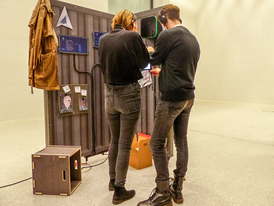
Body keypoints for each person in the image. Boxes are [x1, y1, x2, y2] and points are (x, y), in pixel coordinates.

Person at [138, 4, 200, 206]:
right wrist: (162, 73)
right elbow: (179, 68)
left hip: (171, 99)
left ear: (164, 20)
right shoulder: (192, 39)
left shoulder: (166, 36)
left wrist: (148, 50)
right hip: (188, 97)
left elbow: (152, 59)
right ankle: (177, 189)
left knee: (156, 143)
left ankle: (162, 191)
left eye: (160, 22)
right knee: (181, 141)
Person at [99, 9, 150, 205]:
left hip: (109, 95)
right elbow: (144, 62)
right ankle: (119, 190)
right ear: (131, 22)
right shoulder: (132, 36)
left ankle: (112, 181)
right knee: (125, 145)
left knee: (114, 140)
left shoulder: (103, 39)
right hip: (128, 94)